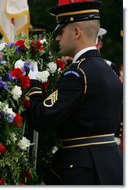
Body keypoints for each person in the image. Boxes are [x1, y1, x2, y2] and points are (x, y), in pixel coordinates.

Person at [27, 1, 123, 185]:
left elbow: (42, 118)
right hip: (110, 164)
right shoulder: (108, 70)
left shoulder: (77, 73)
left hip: (81, 169)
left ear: (77, 32)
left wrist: (34, 84)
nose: (57, 39)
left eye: (60, 32)